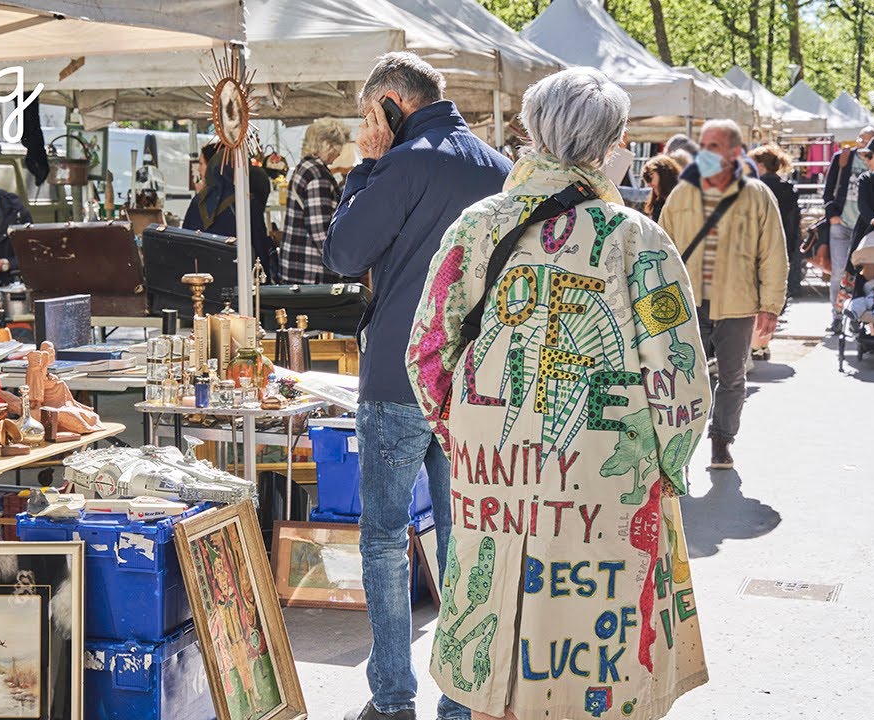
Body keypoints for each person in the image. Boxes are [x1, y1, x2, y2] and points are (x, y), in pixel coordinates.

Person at [407, 65, 711, 720]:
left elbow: (427, 353)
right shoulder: (638, 240)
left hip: (495, 481)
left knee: (499, 672)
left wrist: (467, 442)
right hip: (609, 486)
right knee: (598, 670)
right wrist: (666, 465)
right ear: (611, 143)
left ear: (530, 132)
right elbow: (682, 384)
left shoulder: (475, 228)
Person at [323, 51, 512, 720]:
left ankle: (393, 698)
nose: (363, 128)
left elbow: (343, 253)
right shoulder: (501, 168)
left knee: (383, 541)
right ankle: (462, 701)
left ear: (391, 106)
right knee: (468, 545)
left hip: (400, 377)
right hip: (477, 385)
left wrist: (366, 166)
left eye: (366, 116)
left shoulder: (399, 163)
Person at [659, 119, 787, 470]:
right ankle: (681, 446)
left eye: (715, 146)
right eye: (705, 145)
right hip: (689, 301)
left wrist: (770, 306)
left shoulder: (758, 195)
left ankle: (721, 440)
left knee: (732, 378)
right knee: (684, 378)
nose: (707, 153)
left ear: (734, 152)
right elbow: (664, 246)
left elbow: (773, 253)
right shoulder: (682, 194)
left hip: (738, 302)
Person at [183, 142, 275, 278]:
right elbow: (260, 247)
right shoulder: (246, 202)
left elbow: (185, 243)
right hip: (238, 279)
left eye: (201, 164)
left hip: (204, 282)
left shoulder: (199, 201)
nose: (198, 170)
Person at [277, 119, 350, 284]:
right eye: (339, 147)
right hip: (311, 273)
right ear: (328, 145)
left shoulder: (305, 167)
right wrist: (342, 266)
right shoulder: (318, 175)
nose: (339, 154)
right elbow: (321, 232)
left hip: (295, 267)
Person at [823, 127, 874, 329]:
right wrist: (832, 214)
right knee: (838, 271)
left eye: (869, 140)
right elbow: (828, 189)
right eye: (861, 139)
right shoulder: (842, 158)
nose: (863, 143)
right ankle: (837, 315)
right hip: (842, 224)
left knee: (861, 273)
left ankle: (855, 315)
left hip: (864, 228)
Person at [749, 143, 803, 299]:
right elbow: (794, 222)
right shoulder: (788, 189)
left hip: (758, 243)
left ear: (760, 165)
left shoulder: (755, 189)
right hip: (783, 242)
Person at [641, 154, 683, 221]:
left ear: (664, 174)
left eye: (650, 177)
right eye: (646, 179)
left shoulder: (682, 198)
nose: (649, 184)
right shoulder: (658, 204)